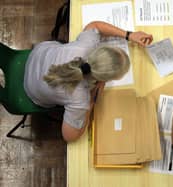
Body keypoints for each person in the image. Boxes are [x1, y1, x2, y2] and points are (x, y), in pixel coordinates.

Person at [24, 21, 153, 142]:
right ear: (104, 79)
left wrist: (129, 35)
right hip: (31, 90)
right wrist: (91, 101)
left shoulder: (86, 45)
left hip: (37, 54)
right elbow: (69, 136)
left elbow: (95, 25)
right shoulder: (79, 98)